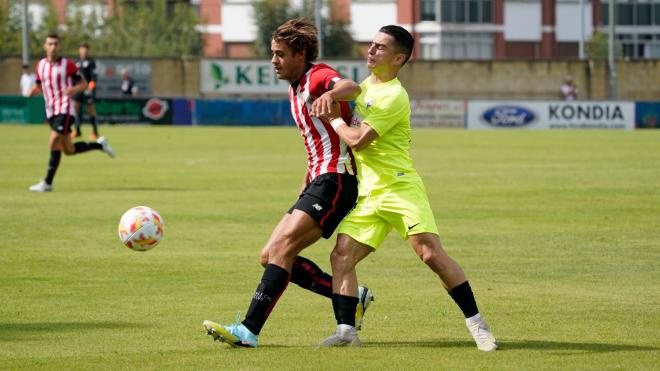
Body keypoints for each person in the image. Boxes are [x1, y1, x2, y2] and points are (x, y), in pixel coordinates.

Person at [312, 25, 498, 351]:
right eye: (371, 44)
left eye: (380, 47)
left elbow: (357, 140)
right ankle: (345, 332)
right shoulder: (367, 85)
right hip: (370, 194)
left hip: (399, 188)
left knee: (430, 254)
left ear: (398, 58)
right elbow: (351, 89)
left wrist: (334, 119)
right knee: (341, 257)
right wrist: (330, 93)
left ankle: (477, 324)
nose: (371, 50)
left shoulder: (394, 96)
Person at [203, 18, 374, 348]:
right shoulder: (294, 90)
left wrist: (332, 95)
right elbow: (313, 146)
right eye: (272, 53)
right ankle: (354, 297)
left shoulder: (318, 76)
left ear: (301, 53)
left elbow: (353, 87)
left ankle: (248, 330)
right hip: (317, 181)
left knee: (283, 249)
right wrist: (302, 189)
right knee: (270, 255)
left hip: (337, 180)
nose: (273, 60)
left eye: (280, 54)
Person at [27, 34, 115, 193]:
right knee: (68, 149)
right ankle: (100, 145)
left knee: (54, 141)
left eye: (56, 43)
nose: (53, 46)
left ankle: (47, 183)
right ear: (44, 46)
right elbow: (40, 85)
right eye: (50, 43)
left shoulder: (67, 65)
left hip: (65, 109)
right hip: (51, 110)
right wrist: (32, 91)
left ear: (59, 46)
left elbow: (83, 84)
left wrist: (73, 89)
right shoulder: (40, 65)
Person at [72, 42, 99, 139]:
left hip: (87, 89)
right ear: (79, 50)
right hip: (78, 89)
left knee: (91, 111)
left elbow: (94, 76)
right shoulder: (76, 62)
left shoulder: (91, 62)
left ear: (88, 51)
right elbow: (73, 76)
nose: (83, 51)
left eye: (85, 50)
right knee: (75, 109)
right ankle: (77, 131)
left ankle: (95, 132)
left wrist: (91, 85)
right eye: (82, 49)